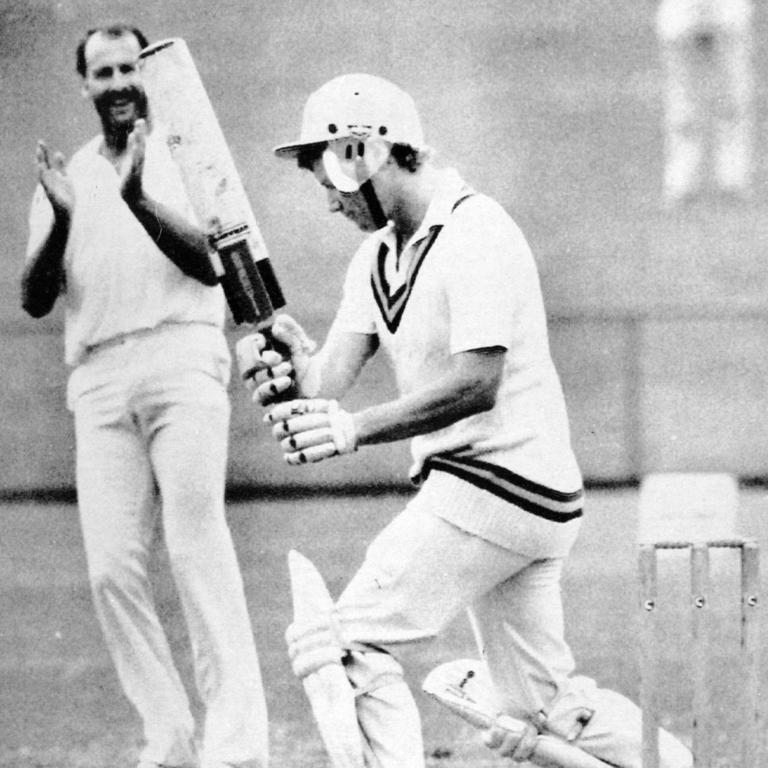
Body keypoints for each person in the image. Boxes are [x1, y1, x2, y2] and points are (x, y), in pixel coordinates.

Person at [239, 73, 693, 767]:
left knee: (341, 645)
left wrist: (354, 430)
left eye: (327, 178)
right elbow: (324, 381)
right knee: (540, 710)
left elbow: (477, 382)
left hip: (496, 480)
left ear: (360, 151)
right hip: (505, 496)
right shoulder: (375, 260)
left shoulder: (478, 231)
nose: (328, 200)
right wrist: (285, 375)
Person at [21, 24, 268, 768]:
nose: (121, 81)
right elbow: (35, 299)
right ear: (87, 86)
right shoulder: (66, 178)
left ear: (146, 77)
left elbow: (215, 267)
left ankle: (237, 747)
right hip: (97, 379)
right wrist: (63, 216)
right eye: (104, 71)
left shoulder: (182, 154)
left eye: (131, 67)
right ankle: (171, 736)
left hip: (182, 359)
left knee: (197, 547)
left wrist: (139, 200)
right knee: (110, 569)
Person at [655, 0, 755, 206]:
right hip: (696, 19)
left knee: (723, 103)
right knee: (692, 104)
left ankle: (724, 181)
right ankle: (690, 182)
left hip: (714, 18)